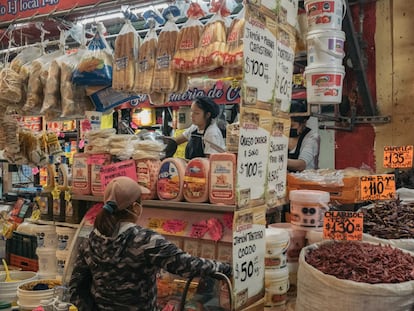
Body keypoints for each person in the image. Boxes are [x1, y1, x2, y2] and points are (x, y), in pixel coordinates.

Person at [68, 176, 232, 311]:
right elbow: (187, 265)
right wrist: (225, 268)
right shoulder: (145, 240)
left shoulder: (91, 240)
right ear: (135, 207)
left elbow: (75, 287)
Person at [287, 100, 320, 172]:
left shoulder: (312, 137)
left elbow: (301, 165)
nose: (288, 129)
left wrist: (279, 160)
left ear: (303, 123)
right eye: (287, 126)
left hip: (304, 180)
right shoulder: (283, 136)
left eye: (292, 126)